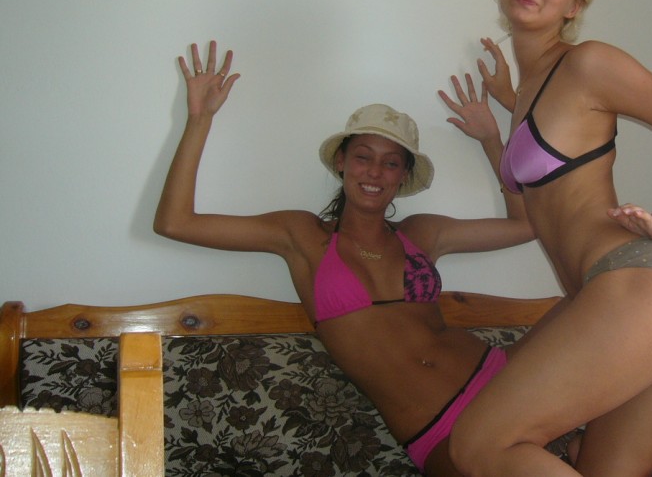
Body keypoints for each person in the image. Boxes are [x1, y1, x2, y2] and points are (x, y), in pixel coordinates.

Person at [153, 41, 535, 477]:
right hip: (437, 431)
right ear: (341, 162)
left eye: (391, 163)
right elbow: (175, 222)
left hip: (497, 381)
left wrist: (492, 140)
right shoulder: (302, 236)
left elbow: (525, 225)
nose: (374, 172)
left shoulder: (423, 234)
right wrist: (199, 119)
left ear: (403, 176)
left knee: (597, 312)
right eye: (363, 157)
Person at [440, 0, 652, 477]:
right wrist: (495, 133)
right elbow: (528, 212)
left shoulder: (588, 64)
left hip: (638, 281)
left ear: (574, 5)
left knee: (478, 444)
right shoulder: (529, 91)